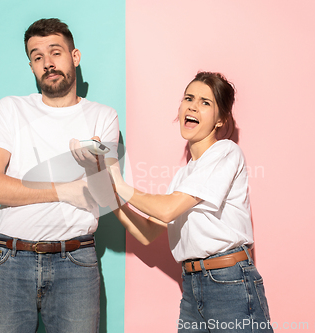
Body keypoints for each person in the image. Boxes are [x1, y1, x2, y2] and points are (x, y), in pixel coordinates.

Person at [0, 18, 119, 333]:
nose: (48, 63)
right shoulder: (10, 109)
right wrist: (65, 190)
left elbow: (106, 193)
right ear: (31, 67)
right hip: (10, 258)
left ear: (75, 56)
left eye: (55, 52)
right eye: (37, 57)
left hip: (76, 262)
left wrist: (92, 165)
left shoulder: (103, 116)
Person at [108, 72, 273, 332]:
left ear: (221, 119)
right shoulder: (184, 176)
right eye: (189, 98)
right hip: (193, 286)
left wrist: (119, 183)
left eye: (206, 102)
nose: (193, 106)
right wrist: (109, 197)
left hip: (229, 280)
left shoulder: (226, 152)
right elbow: (147, 233)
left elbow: (167, 208)